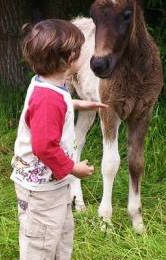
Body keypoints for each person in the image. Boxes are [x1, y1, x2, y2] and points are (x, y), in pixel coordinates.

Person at [10, 19, 108, 260]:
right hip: (40, 189)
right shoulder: (48, 98)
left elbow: (55, 104)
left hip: (52, 184)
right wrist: (73, 168)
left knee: (62, 234)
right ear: (68, 59)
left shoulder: (48, 83)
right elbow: (43, 147)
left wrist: (77, 103)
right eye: (82, 50)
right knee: (41, 244)